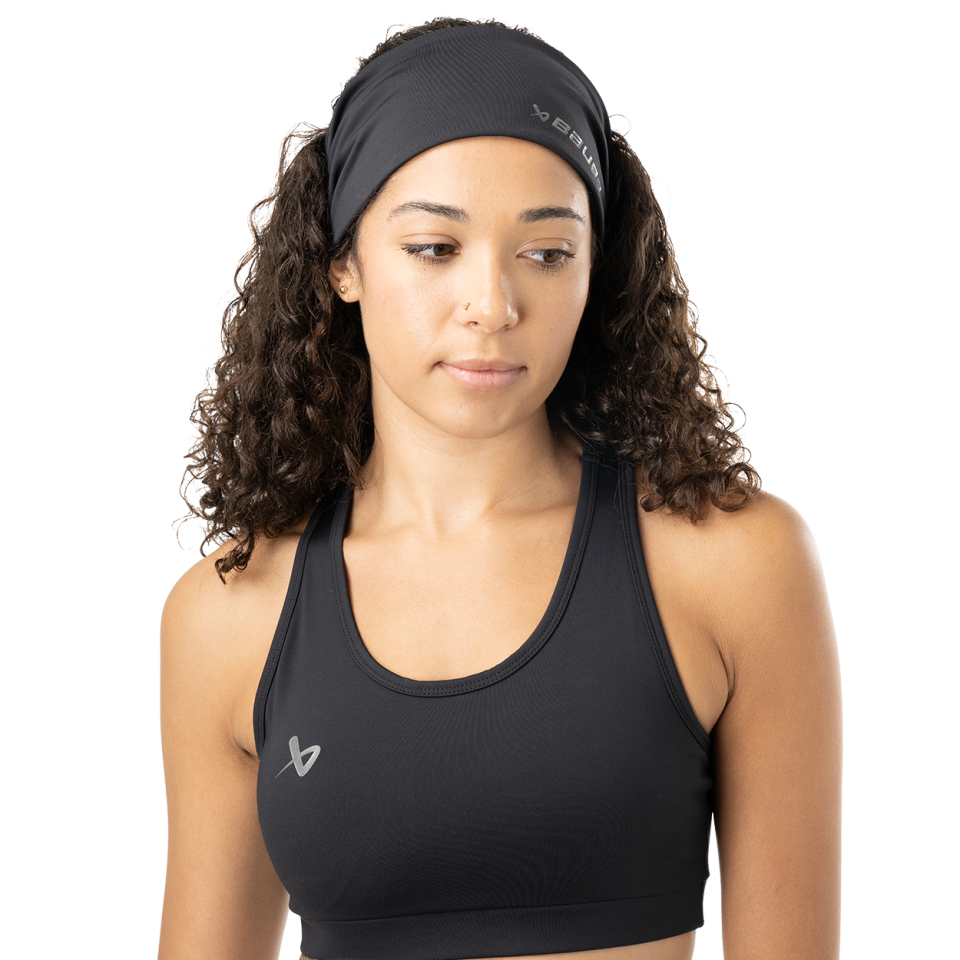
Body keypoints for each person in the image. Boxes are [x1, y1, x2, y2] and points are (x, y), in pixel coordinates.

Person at [158, 15, 842, 960]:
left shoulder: (732, 565)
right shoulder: (227, 615)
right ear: (341, 263)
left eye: (547, 253)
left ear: (597, 269)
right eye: (434, 248)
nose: (494, 305)